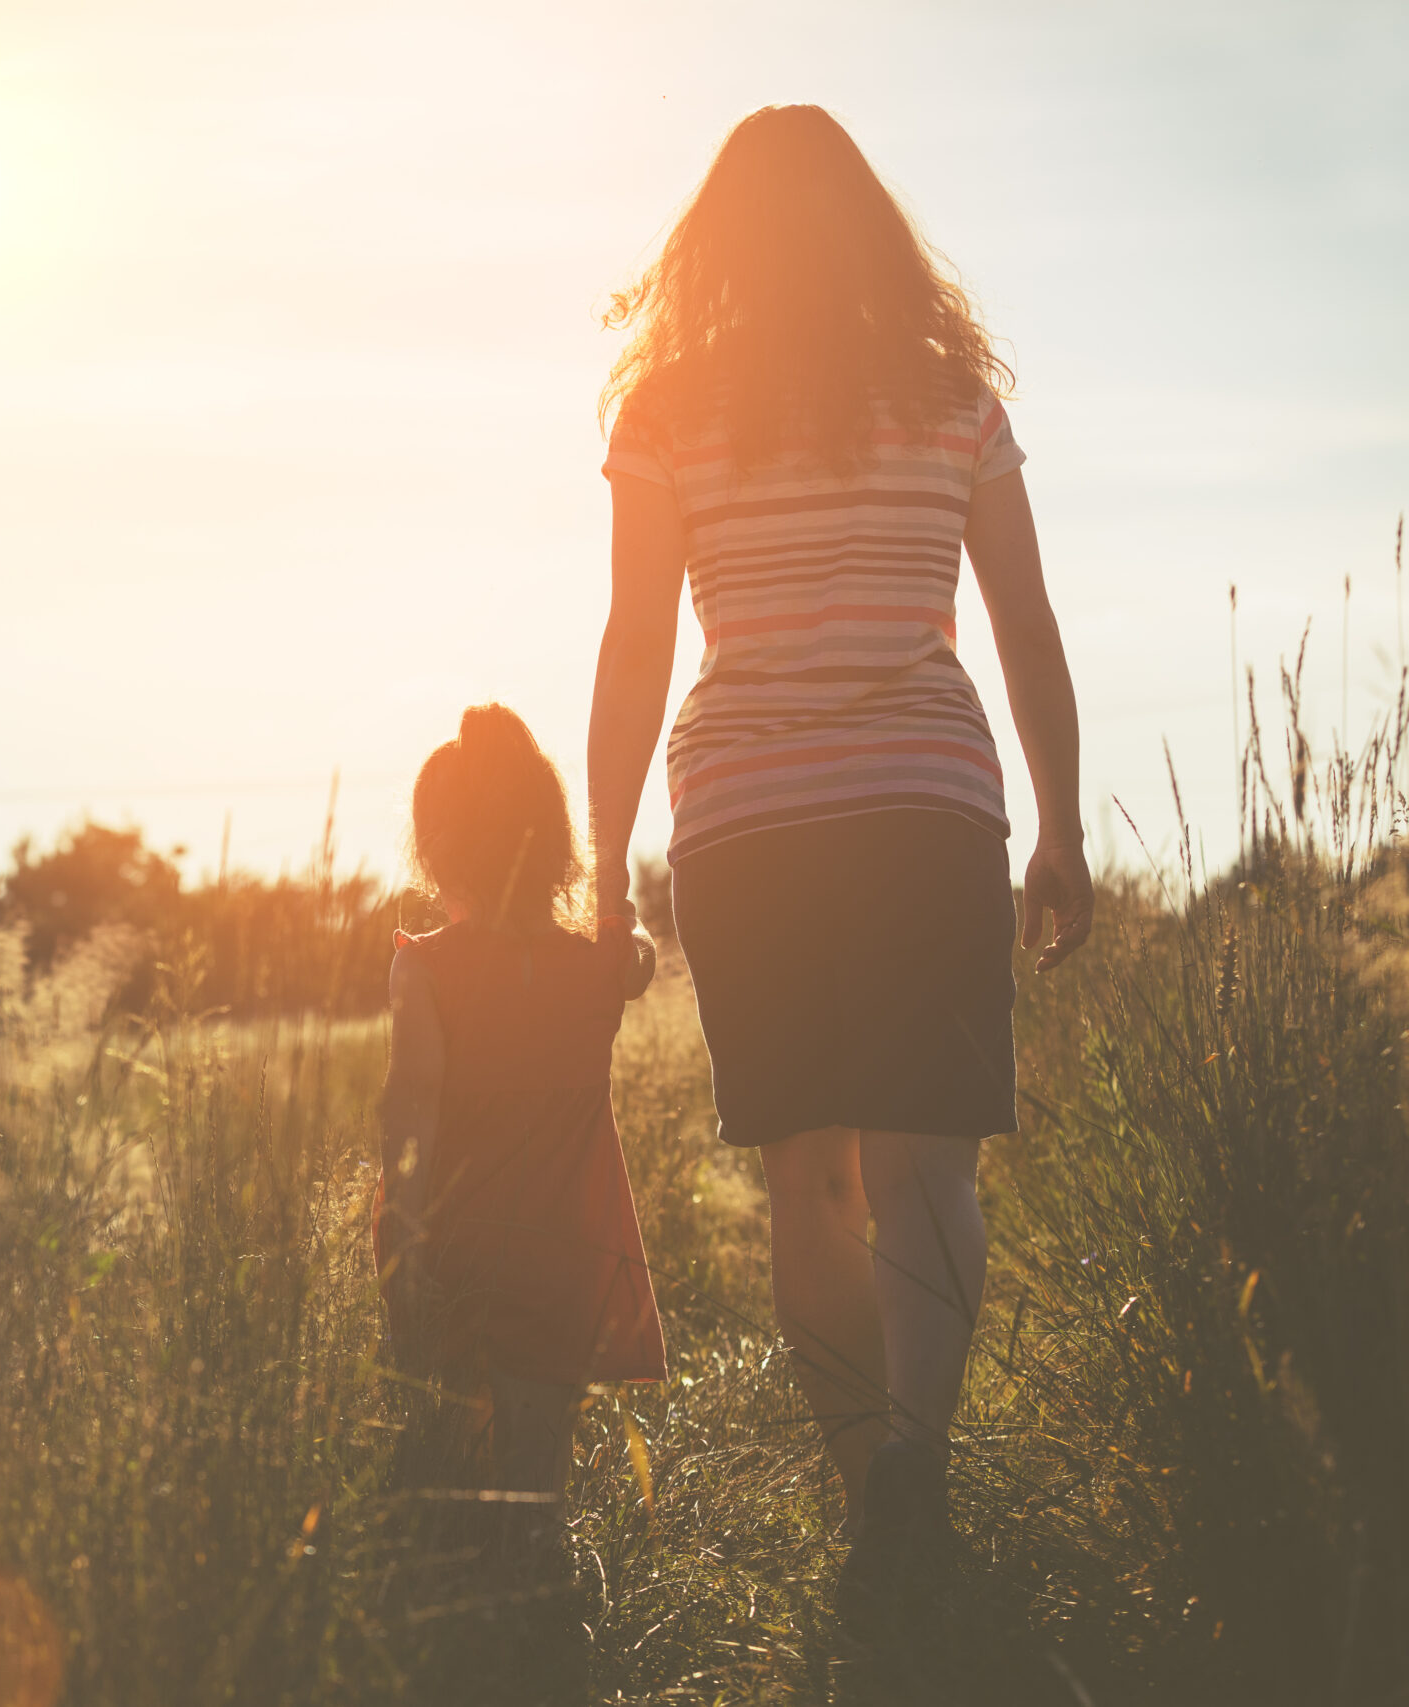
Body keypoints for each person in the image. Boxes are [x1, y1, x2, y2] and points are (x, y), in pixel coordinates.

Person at [585, 105, 1094, 1577]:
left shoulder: (669, 408)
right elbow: (1024, 618)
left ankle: (874, 1481)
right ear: (872, 230)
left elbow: (634, 647)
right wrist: (1059, 820)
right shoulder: (951, 398)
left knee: (806, 1169)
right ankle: (917, 1460)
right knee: (929, 1165)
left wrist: (607, 858)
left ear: (715, 247)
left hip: (749, 818)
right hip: (929, 803)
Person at [376, 703, 666, 1520]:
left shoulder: (425, 972)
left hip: (457, 1257)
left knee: (447, 1484)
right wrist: (616, 909)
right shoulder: (598, 968)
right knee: (535, 1496)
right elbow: (636, 957)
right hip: (564, 1266)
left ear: (434, 853)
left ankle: (473, 1619)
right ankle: (538, 1614)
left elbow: (411, 1126)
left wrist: (405, 1254)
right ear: (552, 843)